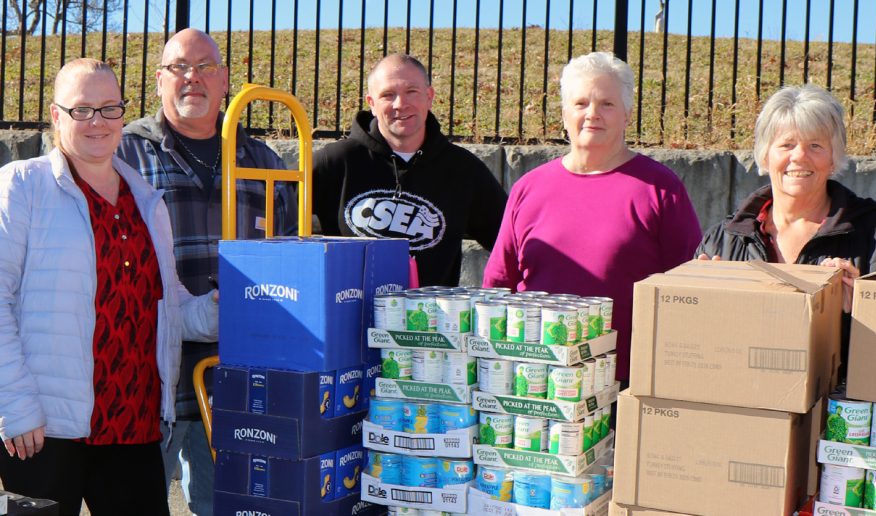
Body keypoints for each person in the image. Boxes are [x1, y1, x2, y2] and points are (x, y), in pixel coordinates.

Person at [0, 58, 218, 515]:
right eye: (82, 109)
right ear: (56, 116)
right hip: (44, 429)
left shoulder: (146, 200)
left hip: (133, 423)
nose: (97, 121)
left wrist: (223, 308)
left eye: (109, 108)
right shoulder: (22, 186)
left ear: (123, 113)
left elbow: (168, 305)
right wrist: (15, 408)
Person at [116, 28, 295, 516]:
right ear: (158, 80)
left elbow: (291, 261)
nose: (192, 78)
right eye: (179, 67)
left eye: (205, 67)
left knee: (228, 507)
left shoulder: (263, 162)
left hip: (237, 379)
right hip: (148, 376)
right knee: (136, 503)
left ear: (225, 81)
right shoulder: (124, 154)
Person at [482, 52, 702, 383]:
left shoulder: (660, 189)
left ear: (627, 114)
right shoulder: (528, 188)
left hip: (623, 384)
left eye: (607, 104)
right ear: (564, 113)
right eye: (581, 103)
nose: (592, 114)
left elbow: (687, 291)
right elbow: (498, 286)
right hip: (535, 384)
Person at [695, 84, 876, 310]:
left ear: (833, 158)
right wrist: (701, 304)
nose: (799, 156)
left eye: (815, 145)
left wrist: (860, 308)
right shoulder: (720, 241)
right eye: (787, 145)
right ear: (765, 155)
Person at [313, 53, 507, 286]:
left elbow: (511, 243)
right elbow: (278, 231)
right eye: (387, 95)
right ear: (372, 104)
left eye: (411, 91)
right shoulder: (333, 162)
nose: (400, 104)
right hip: (347, 318)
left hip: (430, 319)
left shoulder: (465, 170)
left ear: (429, 96)